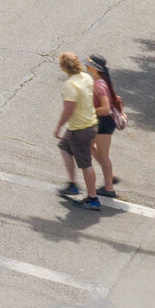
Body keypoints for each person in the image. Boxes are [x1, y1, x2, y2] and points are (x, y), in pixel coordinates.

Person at [53, 51, 101, 208]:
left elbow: (68, 109)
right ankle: (72, 184)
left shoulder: (70, 85)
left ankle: (93, 198)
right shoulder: (86, 77)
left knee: (86, 164)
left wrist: (58, 128)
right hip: (88, 124)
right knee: (64, 148)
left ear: (63, 67)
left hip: (80, 130)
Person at [89, 55, 127, 199]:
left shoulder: (99, 84)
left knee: (103, 155)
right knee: (88, 145)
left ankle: (109, 187)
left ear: (94, 67)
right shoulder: (102, 81)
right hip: (103, 122)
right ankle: (110, 177)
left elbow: (104, 108)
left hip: (103, 122)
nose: (86, 66)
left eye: (88, 64)